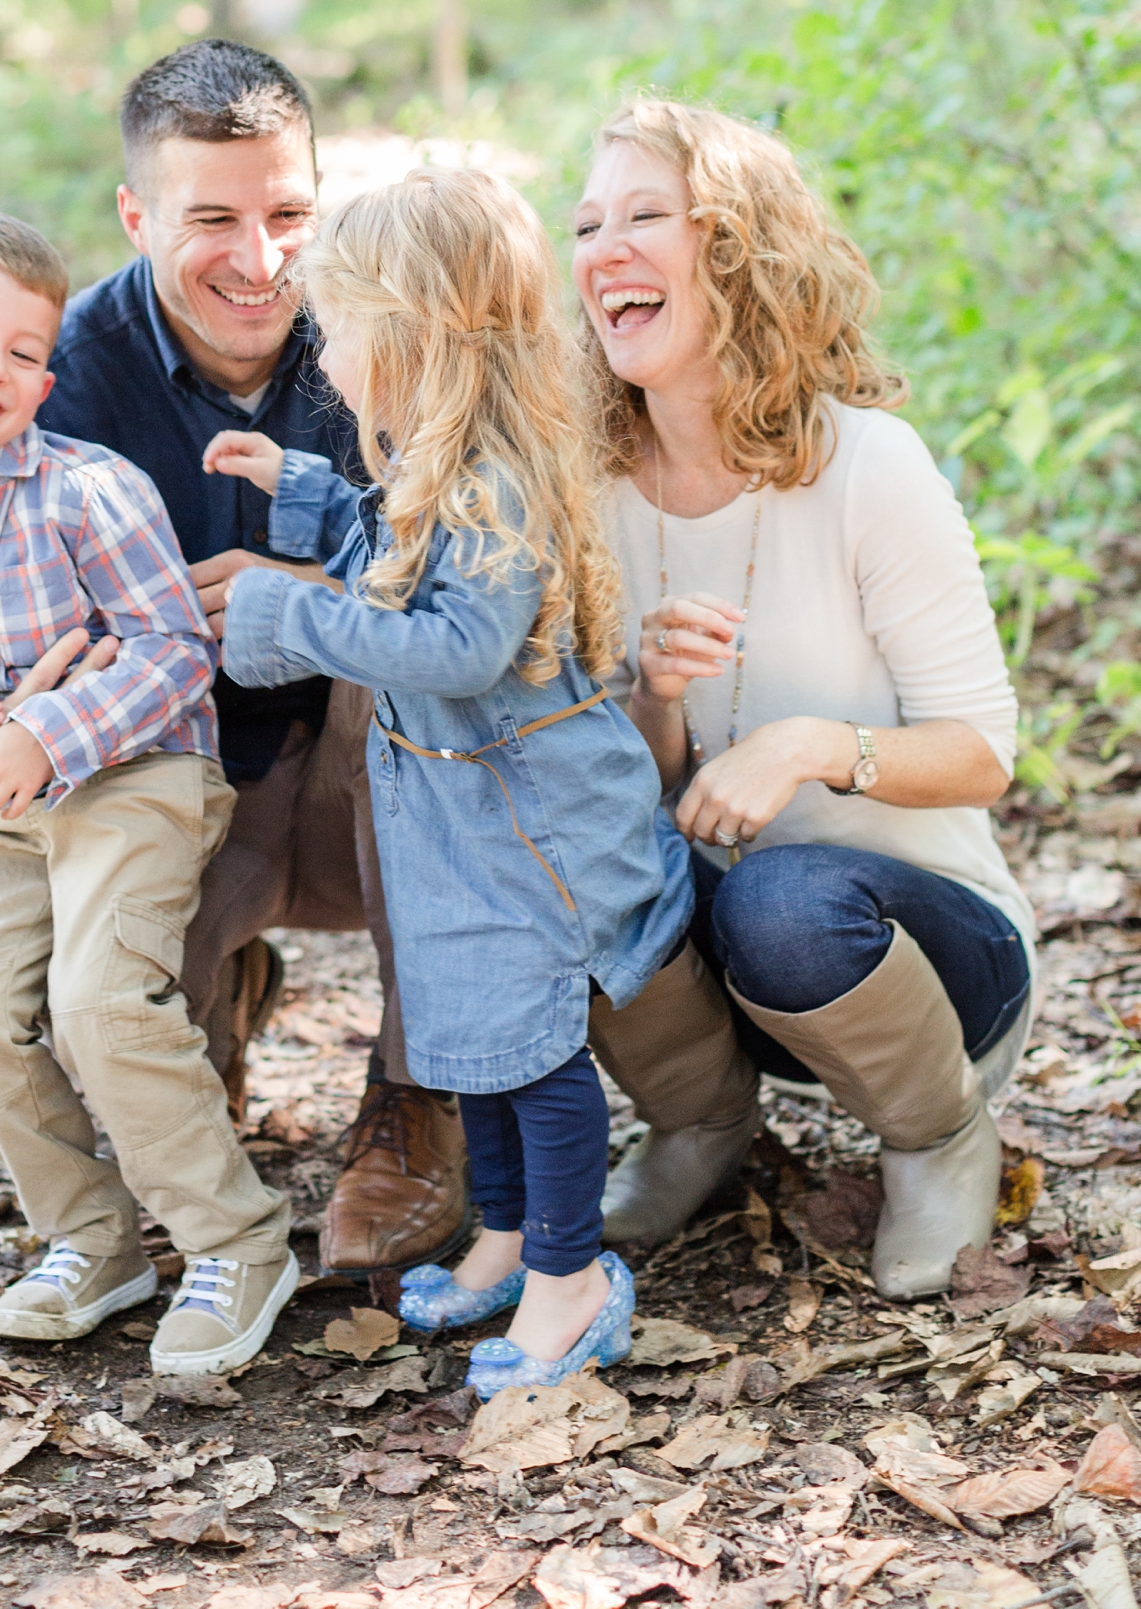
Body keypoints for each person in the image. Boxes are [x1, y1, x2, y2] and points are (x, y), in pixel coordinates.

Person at [209, 168, 698, 1396]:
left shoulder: (492, 484)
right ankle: (509, 1234)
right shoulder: (442, 463)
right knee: (466, 1037)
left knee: (535, 1060)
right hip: (461, 826)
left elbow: (459, 647)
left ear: (419, 336)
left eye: (346, 332)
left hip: (526, 830)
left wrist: (293, 614)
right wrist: (305, 496)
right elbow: (389, 534)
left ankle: (572, 1281)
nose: (328, 359)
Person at [0, 210, 300, 1373]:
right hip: (4, 815)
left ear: (47, 379)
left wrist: (46, 727)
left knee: (97, 1002)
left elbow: (174, 647)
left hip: (140, 775)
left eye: (24, 351)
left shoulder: (88, 491)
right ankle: (93, 1237)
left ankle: (237, 1239)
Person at [571, 96, 1033, 1299]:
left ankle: (940, 1138)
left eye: (643, 216)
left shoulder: (871, 466)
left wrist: (813, 745)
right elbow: (644, 797)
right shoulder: (597, 491)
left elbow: (984, 754)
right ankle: (703, 1123)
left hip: (933, 954)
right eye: (585, 226)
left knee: (785, 896)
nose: (601, 250)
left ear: (733, 246)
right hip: (739, 965)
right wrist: (658, 700)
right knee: (559, 849)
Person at [38, 40, 468, 1276]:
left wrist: (321, 596)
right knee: (73, 1038)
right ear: (136, 215)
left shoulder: (390, 340)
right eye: (211, 218)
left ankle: (412, 1095)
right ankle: (207, 1000)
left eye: (288, 213)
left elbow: (481, 583)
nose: (261, 258)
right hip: (167, 780)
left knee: (397, 663)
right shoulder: (64, 371)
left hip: (370, 783)